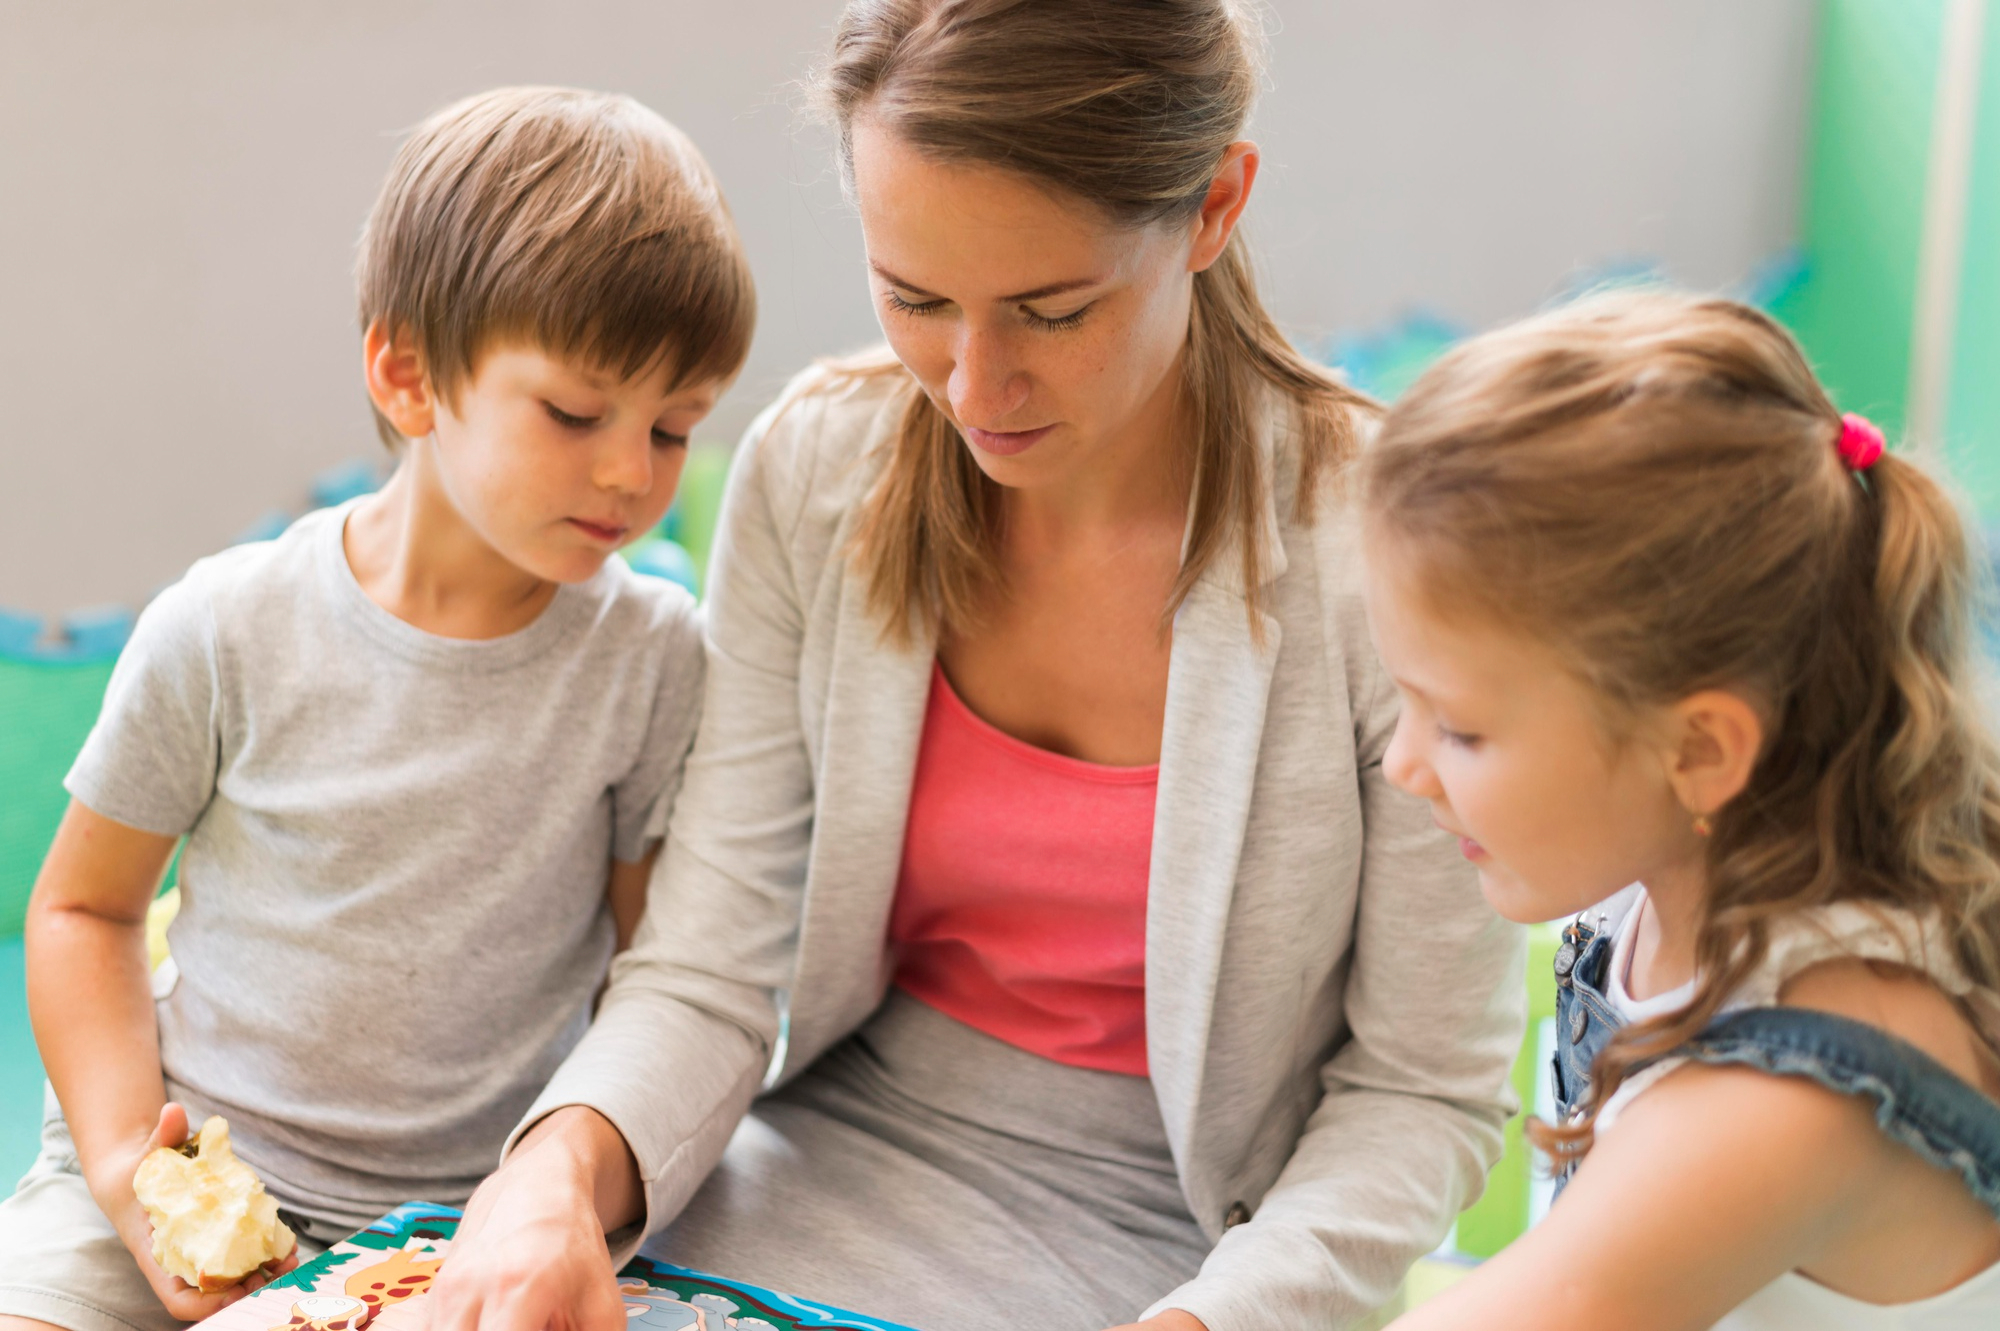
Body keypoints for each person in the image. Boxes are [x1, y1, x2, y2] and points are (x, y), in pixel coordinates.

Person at [431, 5, 1523, 1331]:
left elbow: (1425, 1089)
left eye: (1053, 311)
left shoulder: (1385, 546)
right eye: (916, 298)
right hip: (802, 1158)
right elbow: (710, 960)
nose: (973, 382)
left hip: (1194, 1251)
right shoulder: (815, 471)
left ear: (1213, 206)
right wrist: (552, 1174)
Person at [0, 86, 752, 1331]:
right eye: (576, 413)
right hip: (179, 1184)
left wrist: (559, 1200)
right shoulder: (227, 623)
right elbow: (81, 907)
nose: (632, 472)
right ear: (408, 375)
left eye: (675, 428)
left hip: (472, 1229)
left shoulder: (655, 655)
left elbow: (656, 982)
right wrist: (135, 1167)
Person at [1360, 289, 2000, 1329]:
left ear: (1697, 749)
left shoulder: (1792, 1091)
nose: (1402, 764)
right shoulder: (1673, 881)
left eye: (1460, 728)